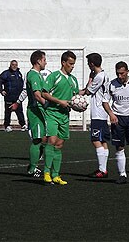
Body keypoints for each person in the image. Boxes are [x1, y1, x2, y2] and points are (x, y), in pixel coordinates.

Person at [102, 61, 129, 184]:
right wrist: (111, 114)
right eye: (117, 73)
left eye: (122, 73)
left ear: (127, 71)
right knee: (119, 147)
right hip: (118, 119)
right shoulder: (111, 85)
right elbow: (105, 102)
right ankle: (122, 175)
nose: (120, 76)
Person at [42, 50, 80, 185]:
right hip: (52, 113)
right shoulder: (54, 76)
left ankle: (56, 175)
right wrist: (59, 102)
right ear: (63, 63)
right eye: (70, 63)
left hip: (65, 116)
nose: (72, 66)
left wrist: (80, 106)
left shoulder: (74, 80)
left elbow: (75, 98)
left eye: (74, 64)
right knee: (51, 141)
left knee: (59, 144)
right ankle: (46, 173)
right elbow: (44, 93)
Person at [82, 53, 110, 178]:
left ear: (92, 64)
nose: (88, 65)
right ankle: (103, 169)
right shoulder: (104, 75)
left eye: (89, 63)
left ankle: (102, 170)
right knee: (103, 141)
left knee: (95, 140)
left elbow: (87, 91)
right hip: (102, 113)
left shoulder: (99, 77)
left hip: (98, 112)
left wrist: (73, 93)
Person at [25, 50, 48, 177]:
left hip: (40, 111)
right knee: (37, 139)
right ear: (38, 61)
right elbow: (37, 96)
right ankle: (32, 169)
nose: (46, 62)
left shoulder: (38, 75)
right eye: (44, 59)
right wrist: (48, 104)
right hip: (35, 111)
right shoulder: (33, 75)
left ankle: (33, 166)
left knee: (44, 139)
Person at [0, 60, 27, 132]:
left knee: (19, 111)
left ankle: (23, 125)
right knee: (8, 111)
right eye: (13, 64)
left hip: (17, 97)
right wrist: (1, 90)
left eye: (16, 65)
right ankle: (7, 125)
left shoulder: (18, 73)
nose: (14, 66)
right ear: (10, 65)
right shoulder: (6, 73)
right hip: (9, 96)